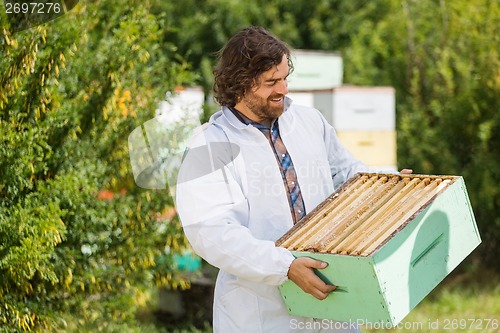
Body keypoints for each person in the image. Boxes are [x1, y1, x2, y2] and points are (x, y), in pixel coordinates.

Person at [175, 26, 411, 333]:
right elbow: (213, 233)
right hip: (260, 314)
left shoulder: (309, 121)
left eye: (285, 78)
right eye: (271, 82)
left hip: (333, 301)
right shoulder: (209, 146)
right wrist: (284, 267)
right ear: (241, 84)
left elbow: (346, 174)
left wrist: (387, 185)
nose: (283, 89)